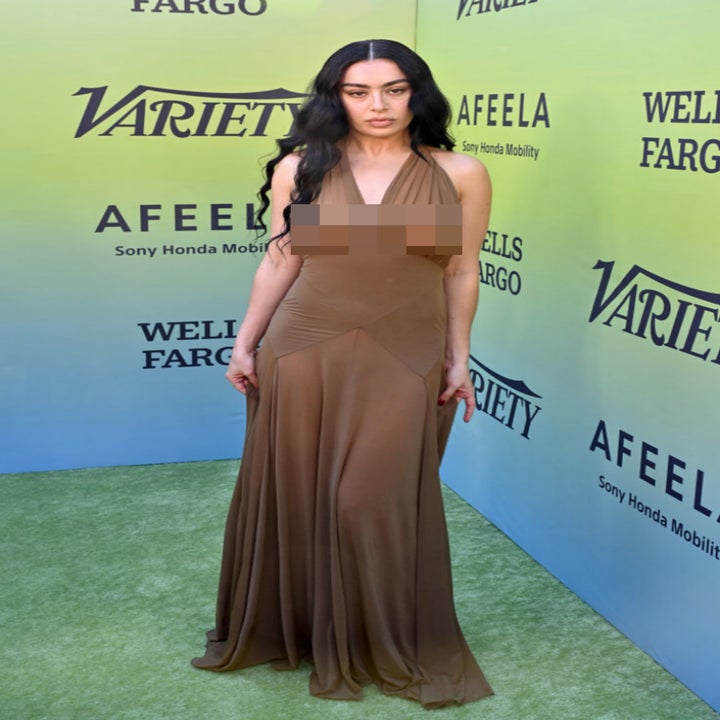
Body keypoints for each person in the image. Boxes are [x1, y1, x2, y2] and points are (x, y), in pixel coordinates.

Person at [192, 39, 493, 709]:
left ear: (419, 92)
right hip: (303, 347)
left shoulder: (460, 172)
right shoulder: (302, 168)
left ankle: (373, 635)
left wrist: (459, 356)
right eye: (359, 92)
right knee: (300, 495)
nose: (377, 105)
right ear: (336, 97)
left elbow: (462, 268)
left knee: (365, 498)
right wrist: (245, 343)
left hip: (405, 352)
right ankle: (305, 631)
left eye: (393, 89)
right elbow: (280, 261)